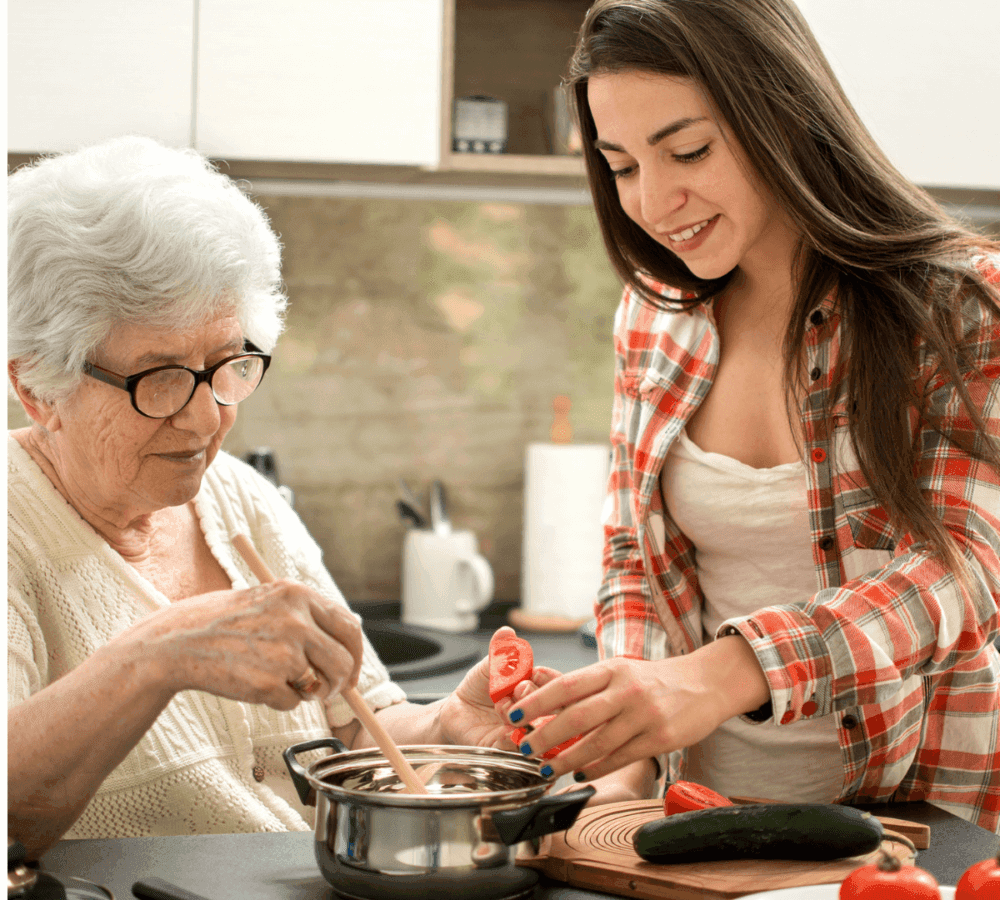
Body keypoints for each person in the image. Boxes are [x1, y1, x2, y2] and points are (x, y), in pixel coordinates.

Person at [503, 0, 1000, 830]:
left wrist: (723, 674)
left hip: (918, 822)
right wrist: (625, 743)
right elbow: (634, 552)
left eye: (687, 150)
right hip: (697, 824)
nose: (655, 203)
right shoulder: (653, 316)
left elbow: (964, 571)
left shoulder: (961, 305)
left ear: (781, 112)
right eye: (621, 167)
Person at [6, 135, 539, 858]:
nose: (205, 418)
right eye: (158, 378)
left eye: (229, 363)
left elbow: (354, 727)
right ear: (37, 387)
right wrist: (156, 653)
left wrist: (448, 728)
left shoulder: (238, 497)